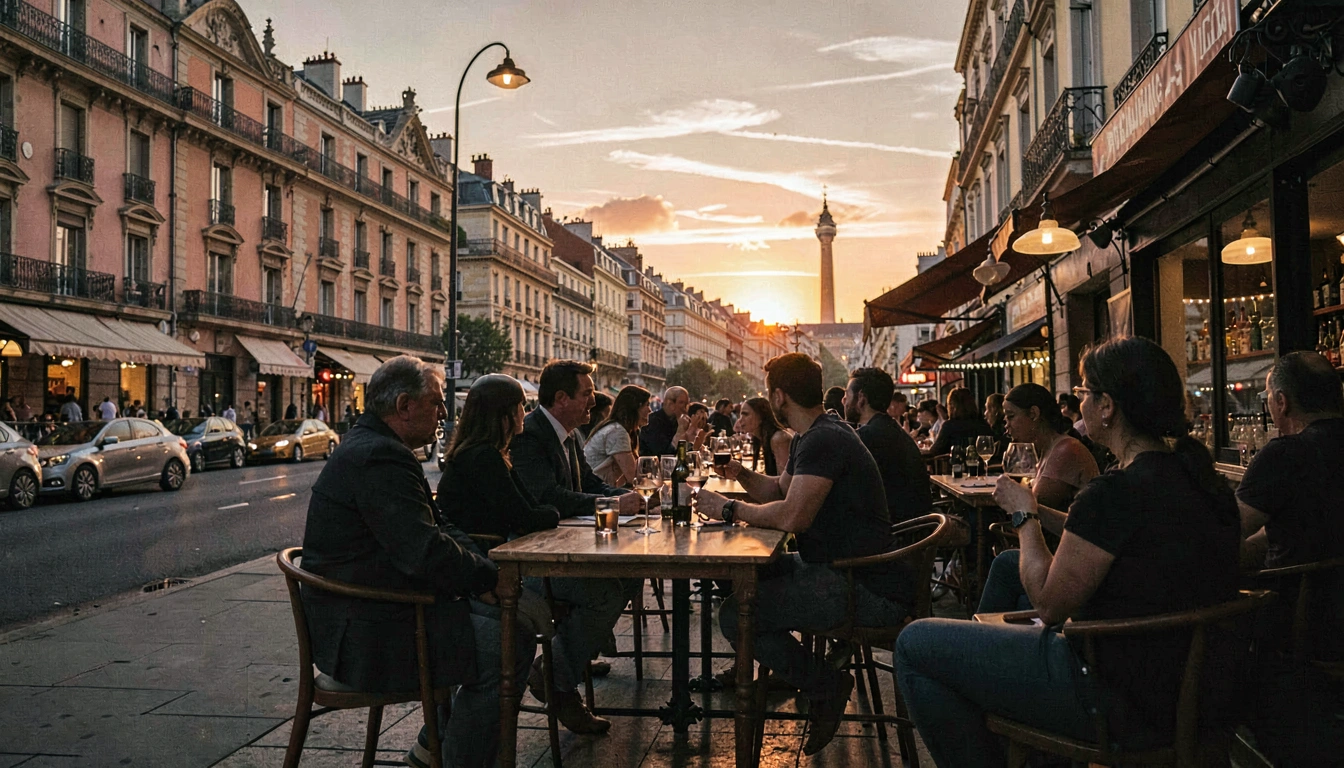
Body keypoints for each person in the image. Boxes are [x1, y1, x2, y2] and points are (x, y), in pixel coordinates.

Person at [897, 337, 1240, 766]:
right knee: (1005, 571)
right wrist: (1039, 510)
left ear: (1107, 406)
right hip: (1199, 695)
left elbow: (1048, 601)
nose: (1077, 404)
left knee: (914, 644)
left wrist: (1024, 519)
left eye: (1082, 392)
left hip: (1114, 698)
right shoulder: (1201, 482)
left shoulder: (1116, 492)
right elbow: (1112, 540)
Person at [300, 355, 534, 768]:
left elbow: (440, 526)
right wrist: (488, 578)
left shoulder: (380, 447)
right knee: (508, 644)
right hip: (366, 634)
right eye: (436, 402)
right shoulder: (380, 458)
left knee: (506, 624)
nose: (444, 412)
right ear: (404, 406)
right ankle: (457, 758)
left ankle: (438, 746)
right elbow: (424, 551)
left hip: (376, 609)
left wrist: (484, 573)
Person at [698, 353, 914, 756]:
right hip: (846, 570)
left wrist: (729, 510)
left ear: (779, 396)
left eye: (767, 392)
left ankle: (824, 685)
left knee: (734, 614)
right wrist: (739, 476)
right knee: (748, 579)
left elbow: (794, 516)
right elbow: (779, 492)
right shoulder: (816, 433)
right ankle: (794, 673)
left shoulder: (822, 439)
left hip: (863, 586)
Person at [510, 360, 644, 734]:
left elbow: (588, 485)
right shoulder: (530, 436)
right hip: (530, 559)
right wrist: (614, 505)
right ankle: (557, 680)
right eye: (586, 394)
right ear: (561, 398)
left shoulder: (571, 435)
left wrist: (627, 496)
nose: (593, 400)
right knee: (604, 592)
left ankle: (569, 655)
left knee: (633, 574)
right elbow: (546, 496)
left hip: (562, 547)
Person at [1238, 351, 1344, 570]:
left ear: (1281, 401)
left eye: (1267, 396)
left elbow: (1227, 532)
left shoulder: (1282, 456)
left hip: (1292, 598)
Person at [844, 367, 932, 522]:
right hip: (915, 531)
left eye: (847, 395)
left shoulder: (866, 438)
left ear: (861, 399)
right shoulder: (890, 429)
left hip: (894, 537)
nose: (843, 401)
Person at [1000, 383, 1099, 512]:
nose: (1006, 425)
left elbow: (1031, 508)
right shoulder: (1046, 449)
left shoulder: (1065, 450)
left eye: (1011, 416)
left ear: (1033, 414)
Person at [583, 385, 651, 487]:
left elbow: (622, 481)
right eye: (647, 405)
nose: (650, 410)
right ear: (636, 407)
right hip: (593, 491)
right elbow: (635, 478)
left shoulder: (617, 429)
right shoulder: (617, 432)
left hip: (598, 489)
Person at [929, 387, 994, 458]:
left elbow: (935, 451)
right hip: (981, 467)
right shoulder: (983, 424)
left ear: (951, 406)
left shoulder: (949, 426)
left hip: (955, 466)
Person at [735, 396, 792, 476]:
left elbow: (784, 481)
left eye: (745, 414)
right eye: (740, 415)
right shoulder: (760, 439)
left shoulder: (778, 439)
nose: (740, 420)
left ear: (761, 416)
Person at [638, 386, 700, 458]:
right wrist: (680, 432)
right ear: (670, 404)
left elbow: (686, 456)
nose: (685, 409)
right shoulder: (652, 422)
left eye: (687, 404)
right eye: (682, 403)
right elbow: (663, 455)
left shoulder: (677, 421)